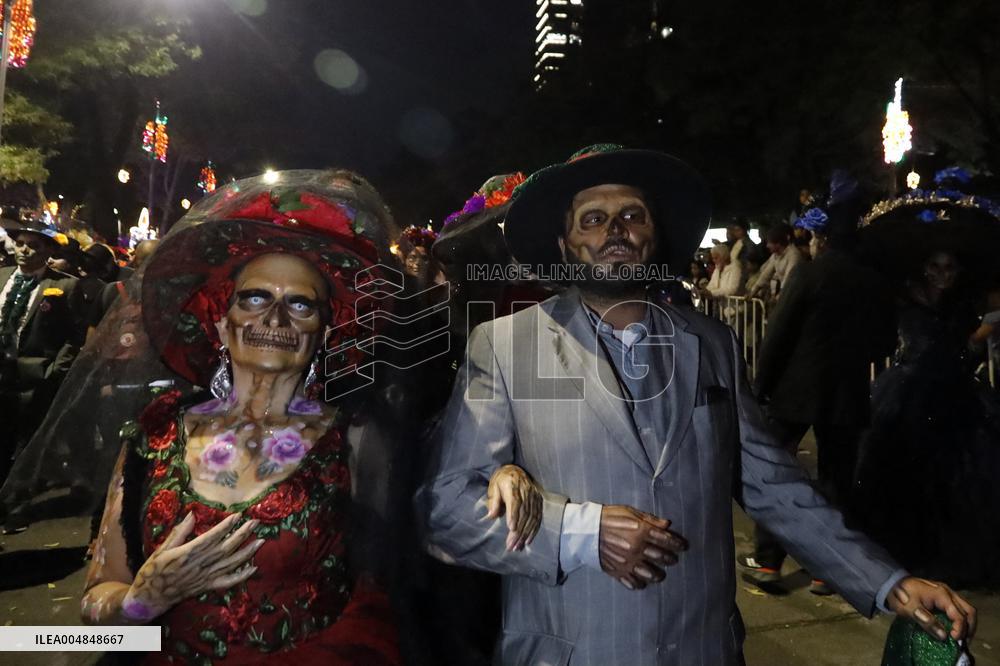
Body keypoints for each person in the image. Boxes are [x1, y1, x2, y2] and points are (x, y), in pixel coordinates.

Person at [418, 145, 976, 666]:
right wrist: (578, 534)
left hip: (704, 648)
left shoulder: (711, 344)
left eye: (632, 215)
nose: (615, 230)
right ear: (565, 246)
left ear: (654, 237)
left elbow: (774, 485)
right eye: (592, 218)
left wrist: (888, 582)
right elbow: (445, 514)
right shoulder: (508, 346)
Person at [79, 171, 401, 664]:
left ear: (323, 333)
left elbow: (391, 602)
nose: (275, 319)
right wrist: (140, 601)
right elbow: (93, 616)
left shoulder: (356, 443)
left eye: (300, 304)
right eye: (255, 298)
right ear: (221, 322)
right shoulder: (157, 431)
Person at [740, 201, 897, 593]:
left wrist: (762, 385)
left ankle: (769, 562)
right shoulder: (874, 281)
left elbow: (779, 331)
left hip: (797, 390)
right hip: (847, 393)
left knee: (778, 473)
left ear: (822, 238)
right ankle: (826, 569)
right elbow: (883, 342)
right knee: (836, 480)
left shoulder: (812, 274)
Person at [854, 248, 1000, 588]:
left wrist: (973, 342)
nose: (942, 274)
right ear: (923, 268)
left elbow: (963, 351)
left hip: (953, 396)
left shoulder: (961, 306)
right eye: (935, 266)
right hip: (908, 396)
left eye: (950, 267)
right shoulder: (905, 299)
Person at [0, 221, 83, 486]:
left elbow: (75, 335)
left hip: (33, 376)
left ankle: (17, 500)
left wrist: (55, 370)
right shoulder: (2, 276)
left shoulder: (65, 286)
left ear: (48, 251)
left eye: (33, 246)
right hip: (2, 371)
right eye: (20, 243)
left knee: (26, 441)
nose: (24, 250)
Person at [749, 223, 802, 305]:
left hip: (793, 293)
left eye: (769, 243)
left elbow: (789, 277)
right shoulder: (775, 255)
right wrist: (753, 291)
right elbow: (765, 274)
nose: (767, 246)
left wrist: (779, 296)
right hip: (784, 293)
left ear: (778, 243)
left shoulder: (793, 254)